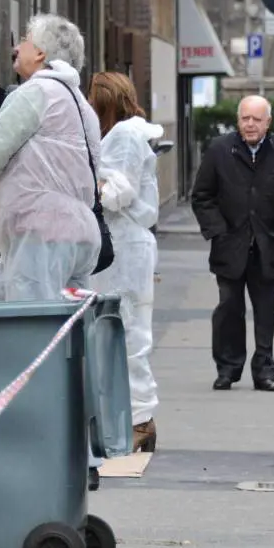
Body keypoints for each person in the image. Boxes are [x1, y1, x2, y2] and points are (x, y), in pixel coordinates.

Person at [0, 14, 101, 302]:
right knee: (69, 324)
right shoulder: (81, 106)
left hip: (38, 233)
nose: (16, 48)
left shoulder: (36, 92)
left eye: (25, 41)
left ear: (40, 53)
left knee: (31, 322)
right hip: (81, 233)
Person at [191, 95, 274, 392]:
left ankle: (264, 371)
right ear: (238, 120)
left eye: (257, 119)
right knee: (229, 309)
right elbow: (202, 196)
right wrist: (218, 231)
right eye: (245, 118)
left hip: (268, 246)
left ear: (268, 122)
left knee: (265, 312)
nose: (250, 124)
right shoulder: (220, 150)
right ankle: (227, 369)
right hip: (229, 245)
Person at [87, 72, 162, 453]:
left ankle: (140, 420)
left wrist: (89, 187)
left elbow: (119, 192)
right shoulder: (126, 134)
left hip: (126, 246)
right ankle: (130, 419)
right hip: (124, 246)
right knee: (120, 333)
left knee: (129, 334)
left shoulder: (124, 135)